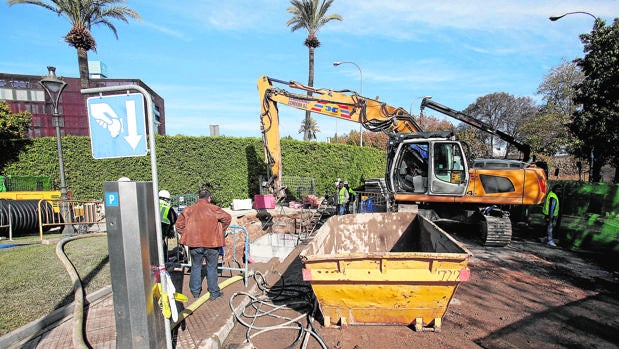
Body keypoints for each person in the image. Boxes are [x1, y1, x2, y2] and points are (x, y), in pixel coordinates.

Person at [175, 189, 231, 300]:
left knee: (195, 267)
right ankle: (214, 293)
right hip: (212, 244)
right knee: (212, 268)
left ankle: (195, 292)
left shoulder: (189, 210)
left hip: (195, 244)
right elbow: (227, 218)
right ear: (209, 198)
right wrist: (220, 230)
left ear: (198, 198)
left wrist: (188, 233)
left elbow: (179, 225)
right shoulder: (214, 209)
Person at [159, 190, 178, 260]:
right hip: (162, 231)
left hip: (149, 231)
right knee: (162, 249)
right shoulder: (168, 207)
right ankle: (163, 265)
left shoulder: (152, 203)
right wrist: (171, 230)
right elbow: (174, 219)